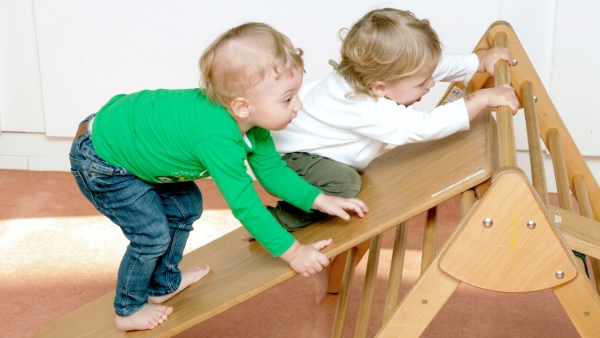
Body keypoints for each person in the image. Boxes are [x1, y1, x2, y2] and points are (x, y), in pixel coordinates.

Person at [68, 22, 368, 332]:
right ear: (242, 106)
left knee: (185, 207)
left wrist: (319, 199)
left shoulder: (252, 123)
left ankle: (162, 285)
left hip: (134, 142)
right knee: (151, 235)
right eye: (288, 98)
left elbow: (272, 173)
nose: (299, 105)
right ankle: (128, 309)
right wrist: (293, 252)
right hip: (104, 158)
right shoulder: (218, 138)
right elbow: (245, 205)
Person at [269, 8, 520, 303]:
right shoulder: (362, 107)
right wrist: (480, 99)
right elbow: (423, 126)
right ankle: (277, 219)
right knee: (345, 185)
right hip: (295, 158)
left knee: (350, 181)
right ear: (380, 87)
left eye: (428, 77)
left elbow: (432, 67)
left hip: (313, 147)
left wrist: (478, 62)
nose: (429, 85)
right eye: (420, 84)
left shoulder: (379, 75)